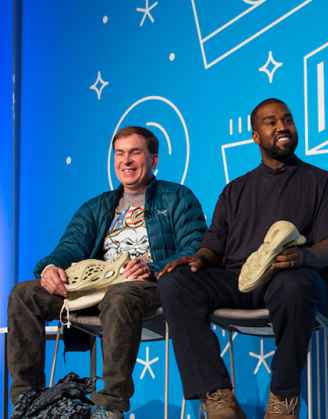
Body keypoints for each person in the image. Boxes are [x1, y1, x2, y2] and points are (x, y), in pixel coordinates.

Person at [157, 98, 328, 419]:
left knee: (293, 283)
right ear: (255, 136)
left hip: (295, 280)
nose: (282, 127)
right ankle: (217, 398)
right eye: (271, 122)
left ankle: (283, 399)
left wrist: (302, 257)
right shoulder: (235, 190)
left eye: (287, 120)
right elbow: (213, 245)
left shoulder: (324, 183)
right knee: (175, 282)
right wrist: (199, 259)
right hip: (240, 281)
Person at [7, 126, 207, 419]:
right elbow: (69, 247)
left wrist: (152, 268)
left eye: (135, 153)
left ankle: (110, 406)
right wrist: (50, 268)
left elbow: (195, 246)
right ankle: (26, 401)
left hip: (146, 286)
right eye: (120, 154)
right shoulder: (97, 207)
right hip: (94, 288)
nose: (126, 161)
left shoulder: (177, 197)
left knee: (119, 295)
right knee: (24, 294)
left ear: (153, 160)